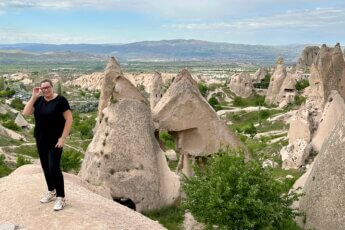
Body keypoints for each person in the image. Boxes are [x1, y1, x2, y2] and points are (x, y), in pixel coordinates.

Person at [23, 79, 73, 211]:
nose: (45, 90)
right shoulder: (38, 101)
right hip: (40, 139)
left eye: (47, 87)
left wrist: (63, 138)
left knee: (53, 167)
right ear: (40, 89)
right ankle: (51, 191)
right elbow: (26, 113)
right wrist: (34, 96)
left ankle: (61, 197)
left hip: (55, 140)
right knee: (45, 167)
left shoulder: (61, 100)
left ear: (52, 87)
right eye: (42, 88)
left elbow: (69, 119)